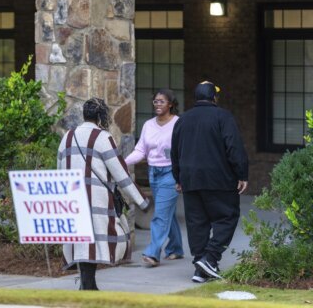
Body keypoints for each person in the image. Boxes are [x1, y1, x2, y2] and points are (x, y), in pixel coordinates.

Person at [57, 97, 150, 290]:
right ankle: (88, 287)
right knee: (97, 241)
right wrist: (142, 201)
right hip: (96, 201)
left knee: (82, 243)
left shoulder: (67, 136)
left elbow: (59, 170)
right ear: (101, 117)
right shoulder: (102, 137)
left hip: (72, 201)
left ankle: (87, 285)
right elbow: (121, 174)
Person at [171, 81, 248, 283]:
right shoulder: (223, 117)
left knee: (197, 223)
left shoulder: (183, 120)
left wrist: (178, 177)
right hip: (219, 179)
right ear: (214, 97)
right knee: (227, 217)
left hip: (190, 180)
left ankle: (201, 267)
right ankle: (210, 258)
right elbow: (234, 148)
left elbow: (175, 152)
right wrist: (242, 174)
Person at [125, 89, 184, 267]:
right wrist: (122, 163)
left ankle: (153, 253)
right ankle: (175, 248)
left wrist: (182, 176)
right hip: (154, 173)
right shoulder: (149, 125)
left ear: (171, 104)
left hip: (171, 173)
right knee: (167, 211)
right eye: (155, 101)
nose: (158, 104)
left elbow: (184, 151)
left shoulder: (178, 123)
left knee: (160, 214)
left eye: (162, 101)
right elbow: (140, 150)